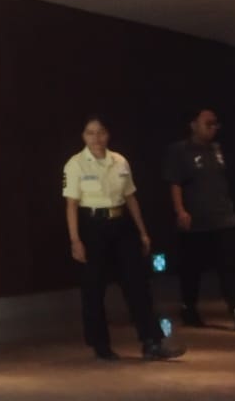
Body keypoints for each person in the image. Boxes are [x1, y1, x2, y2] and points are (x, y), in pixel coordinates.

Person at [63, 117, 184, 361]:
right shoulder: (75, 164)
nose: (96, 138)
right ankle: (100, 344)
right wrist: (75, 240)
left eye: (101, 132)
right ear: (83, 137)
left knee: (137, 283)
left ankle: (152, 341)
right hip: (92, 225)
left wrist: (143, 232)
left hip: (121, 223)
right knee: (94, 287)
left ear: (108, 134)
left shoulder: (119, 161)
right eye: (90, 133)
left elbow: (130, 198)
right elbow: (71, 205)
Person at [164, 108, 235, 331]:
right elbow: (175, 183)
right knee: (192, 269)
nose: (212, 128)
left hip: (223, 217)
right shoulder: (180, 150)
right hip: (196, 221)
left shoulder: (218, 148)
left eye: (215, 124)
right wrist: (180, 211)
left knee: (229, 266)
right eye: (207, 123)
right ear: (193, 125)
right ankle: (189, 307)